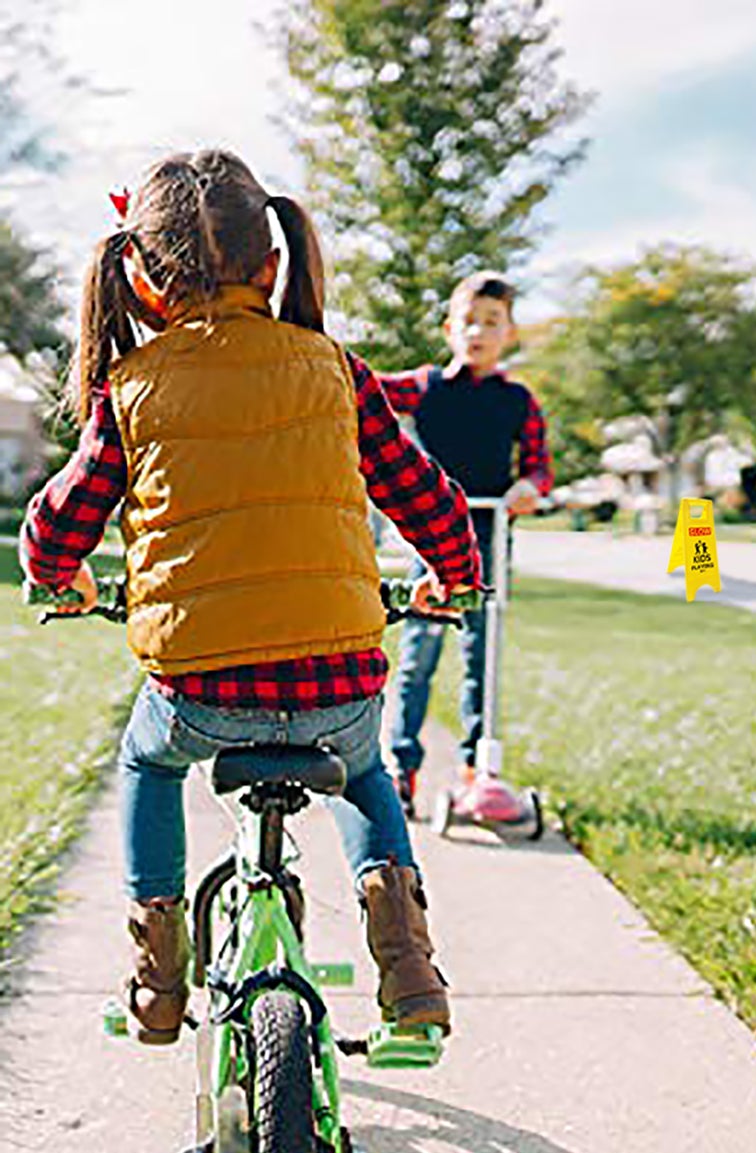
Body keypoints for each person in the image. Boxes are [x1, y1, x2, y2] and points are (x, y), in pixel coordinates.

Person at [20, 150, 482, 1043]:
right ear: (272, 265)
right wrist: (450, 576)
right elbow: (427, 498)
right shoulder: (337, 371)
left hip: (200, 693)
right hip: (339, 682)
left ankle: (158, 976)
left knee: (147, 762)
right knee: (367, 770)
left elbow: (57, 527)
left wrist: (60, 578)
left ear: (143, 282)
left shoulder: (132, 388)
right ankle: (409, 968)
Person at [372, 273, 553, 816]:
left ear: (509, 334)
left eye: (491, 322)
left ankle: (479, 768)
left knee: (482, 657)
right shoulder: (424, 388)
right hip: (430, 543)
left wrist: (530, 488)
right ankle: (401, 768)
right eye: (468, 321)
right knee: (417, 659)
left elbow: (540, 467)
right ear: (450, 329)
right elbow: (365, 390)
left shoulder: (518, 401)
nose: (478, 331)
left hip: (488, 541)